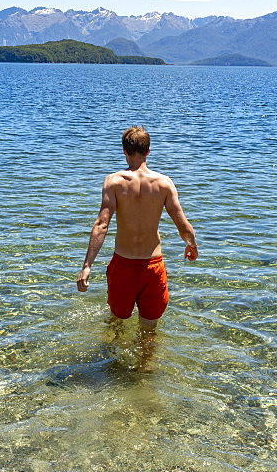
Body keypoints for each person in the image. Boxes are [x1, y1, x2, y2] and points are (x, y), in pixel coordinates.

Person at [76, 126, 197, 330]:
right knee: (149, 332)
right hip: (153, 267)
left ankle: (113, 360)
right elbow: (183, 225)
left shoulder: (113, 182)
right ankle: (146, 363)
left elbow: (101, 225)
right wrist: (192, 245)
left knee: (116, 324)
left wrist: (87, 266)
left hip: (123, 265)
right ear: (149, 151)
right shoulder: (164, 184)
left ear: (124, 150)